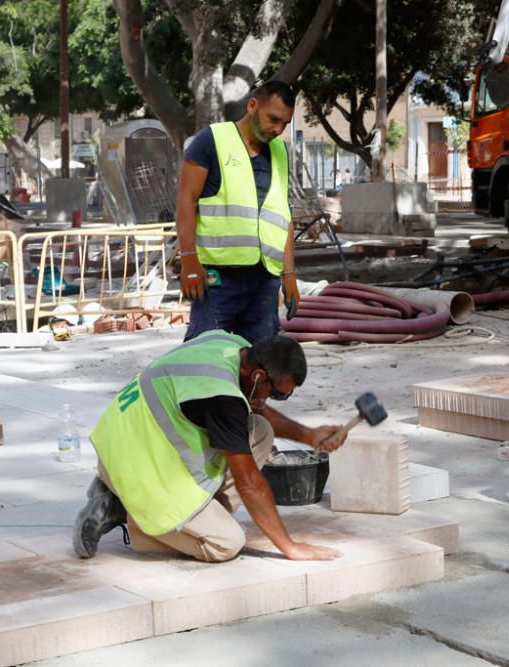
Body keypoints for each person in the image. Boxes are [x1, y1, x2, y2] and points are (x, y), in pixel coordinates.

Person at [72, 330, 347, 563]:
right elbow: (249, 483)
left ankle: (179, 515)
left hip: (119, 446)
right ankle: (128, 513)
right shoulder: (221, 396)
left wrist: (309, 435)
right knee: (226, 543)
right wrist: (289, 547)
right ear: (257, 376)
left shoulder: (229, 345)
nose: (276, 398)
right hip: (132, 467)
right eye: (278, 393)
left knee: (260, 432)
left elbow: (256, 407)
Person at [175, 81, 299, 344]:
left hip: (264, 282)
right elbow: (186, 200)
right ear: (252, 106)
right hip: (218, 280)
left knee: (261, 364)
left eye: (284, 124)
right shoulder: (212, 140)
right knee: (205, 357)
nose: (277, 130)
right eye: (273, 119)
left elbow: (283, 215)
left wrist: (289, 275)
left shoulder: (280, 152)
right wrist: (188, 260)